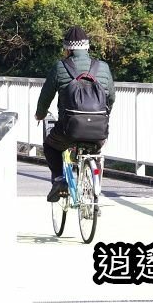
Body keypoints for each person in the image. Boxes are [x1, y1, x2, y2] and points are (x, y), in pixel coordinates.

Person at [34, 26, 115, 203]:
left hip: (68, 130)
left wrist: (40, 115)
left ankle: (58, 181)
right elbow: (111, 99)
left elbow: (45, 97)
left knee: (50, 146)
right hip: (98, 130)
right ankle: (95, 194)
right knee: (95, 150)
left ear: (68, 49)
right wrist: (102, 119)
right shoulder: (103, 67)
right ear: (86, 47)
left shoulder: (60, 67)